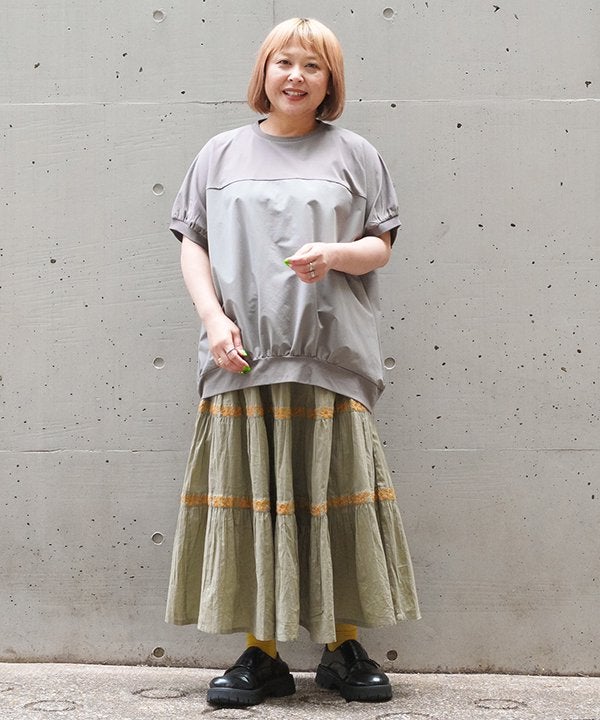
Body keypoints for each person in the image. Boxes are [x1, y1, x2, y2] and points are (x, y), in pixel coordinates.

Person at [165, 16, 420, 707]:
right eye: (284, 62)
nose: (296, 76)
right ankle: (263, 653)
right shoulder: (219, 155)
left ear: (330, 80)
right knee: (255, 501)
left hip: (331, 357)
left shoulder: (356, 155)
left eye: (312, 65)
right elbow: (193, 244)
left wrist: (333, 254)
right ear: (264, 72)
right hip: (242, 360)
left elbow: (380, 245)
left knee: (334, 498)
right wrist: (214, 319)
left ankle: (343, 648)